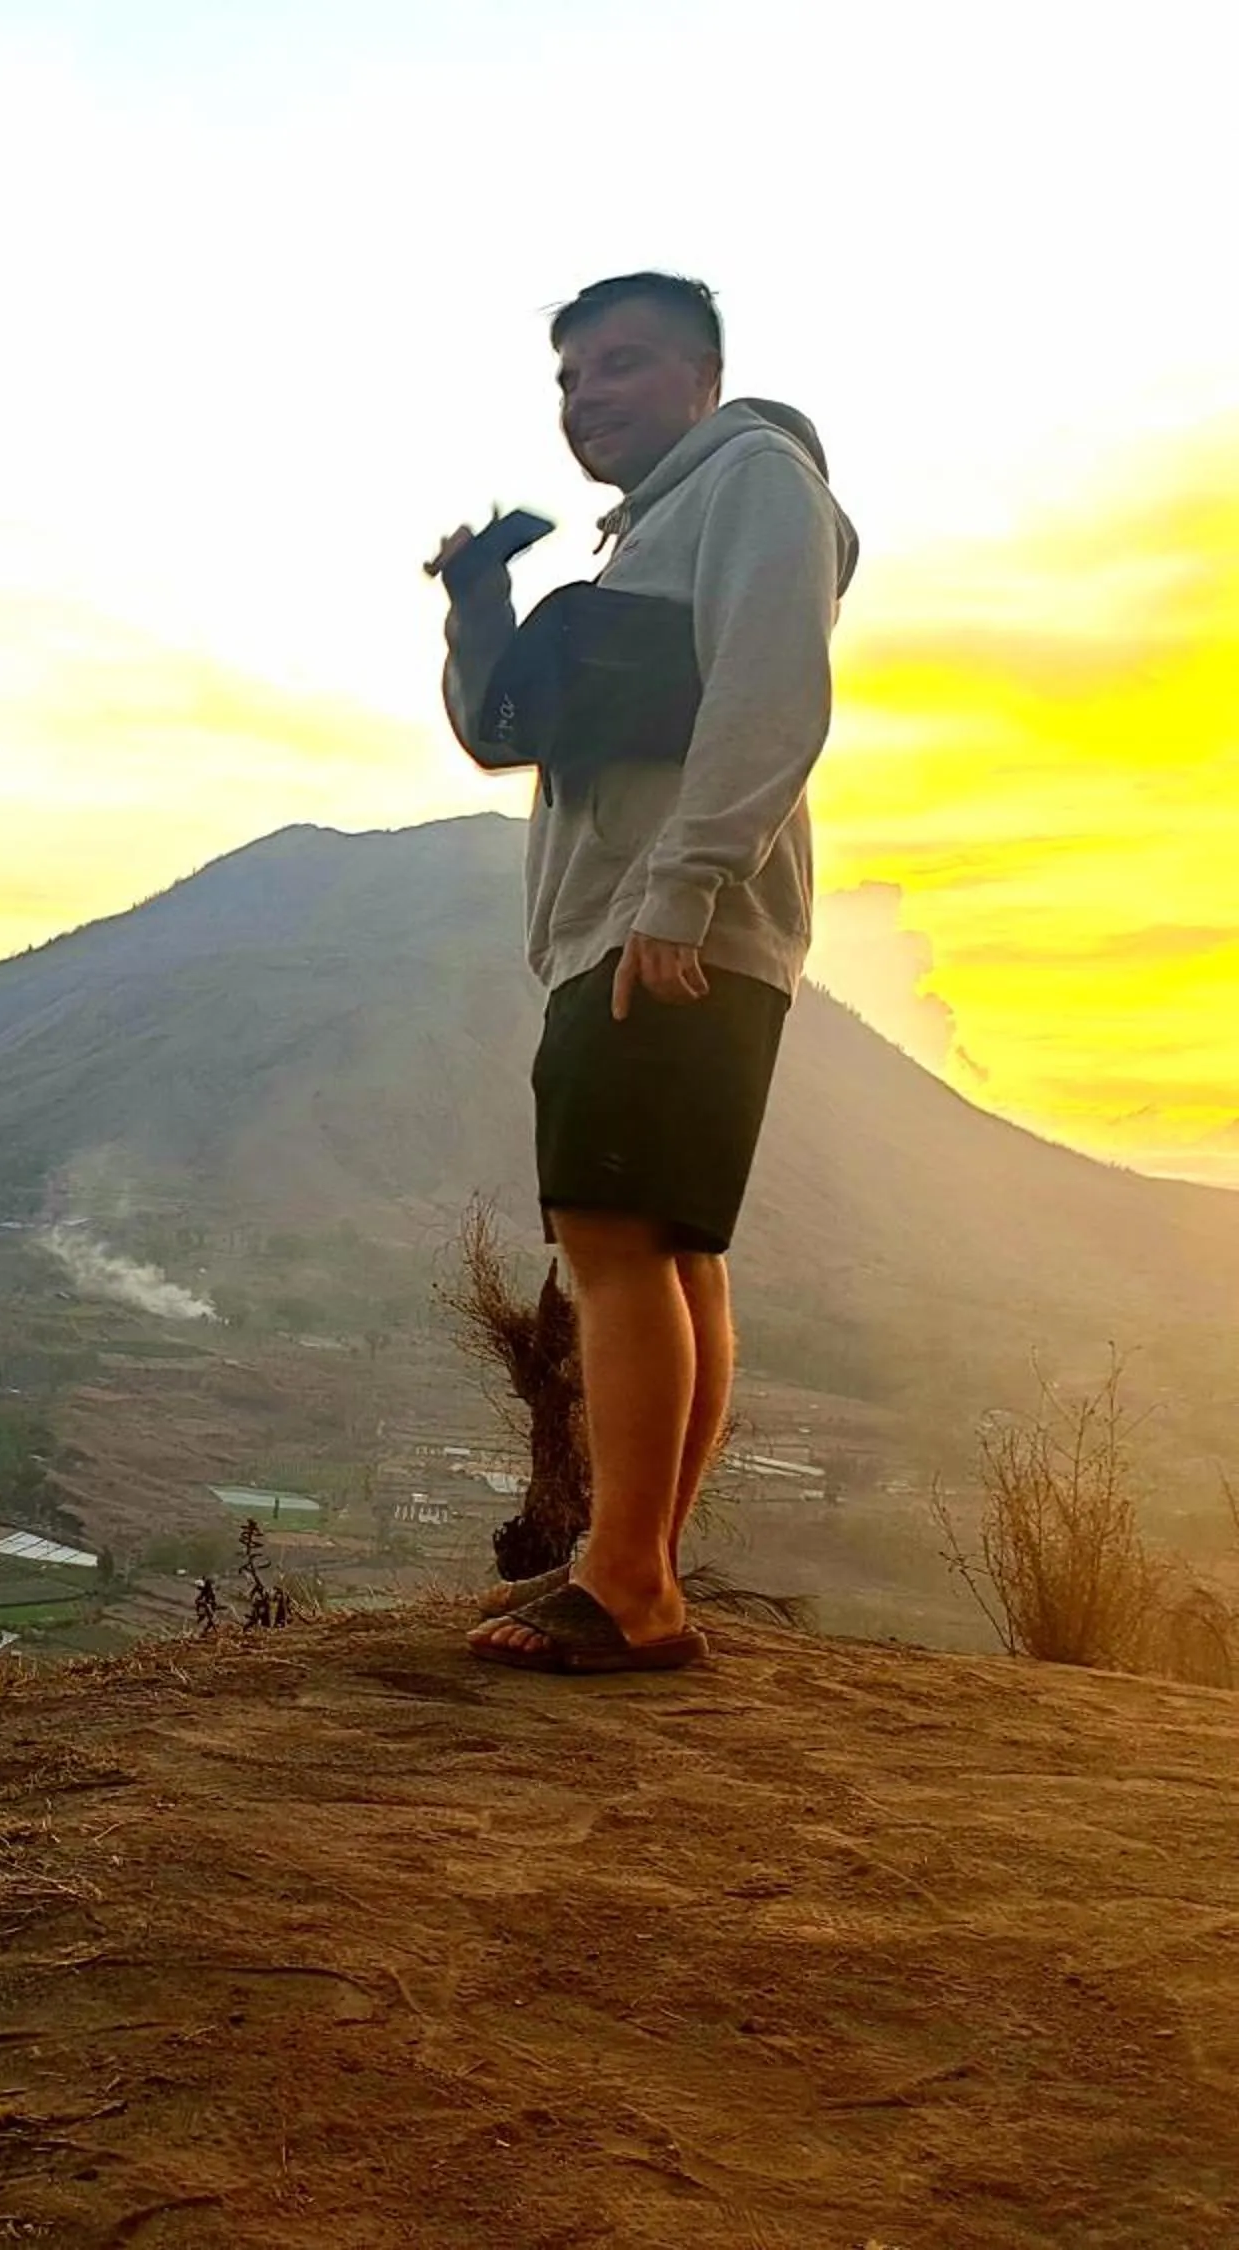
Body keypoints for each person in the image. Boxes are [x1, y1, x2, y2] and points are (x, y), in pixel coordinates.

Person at [430, 275, 857, 1674]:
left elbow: (773, 690)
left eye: (618, 366)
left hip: (670, 922)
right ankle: (639, 1566)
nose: (586, 397)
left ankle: (626, 1587)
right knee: (672, 1251)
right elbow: (510, 736)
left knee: (613, 1242)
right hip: (643, 919)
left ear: (701, 376)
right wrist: (476, 602)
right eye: (567, 379)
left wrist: (680, 890)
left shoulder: (756, 483)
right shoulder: (641, 543)